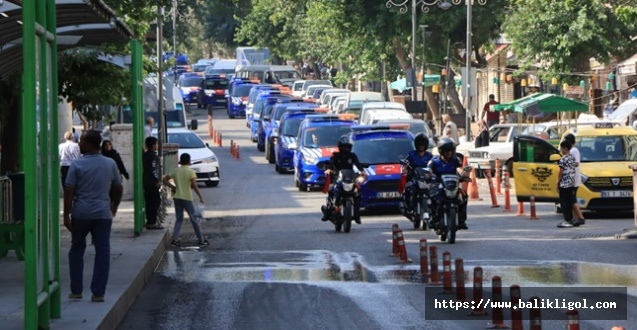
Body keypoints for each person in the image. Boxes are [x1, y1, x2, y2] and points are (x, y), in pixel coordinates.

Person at [63, 130, 123, 302]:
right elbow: (118, 187)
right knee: (103, 251)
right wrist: (114, 206)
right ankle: (98, 293)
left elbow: (69, 190)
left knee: (76, 249)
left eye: (81, 141)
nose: (79, 144)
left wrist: (66, 215)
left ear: (89, 144)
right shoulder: (110, 163)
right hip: (102, 214)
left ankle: (76, 291)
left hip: (81, 214)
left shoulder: (77, 165)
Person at [162, 153, 209, 246]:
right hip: (187, 197)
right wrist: (200, 196)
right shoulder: (190, 172)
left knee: (179, 218)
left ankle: (174, 239)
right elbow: (194, 185)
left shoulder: (175, 171)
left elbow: (165, 180)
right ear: (189, 161)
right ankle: (201, 240)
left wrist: (172, 187)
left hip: (177, 197)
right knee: (194, 219)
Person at [321, 135, 366, 224]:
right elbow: (331, 163)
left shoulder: (352, 156)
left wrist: (362, 171)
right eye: (344, 147)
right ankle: (328, 211)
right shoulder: (335, 155)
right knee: (331, 190)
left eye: (348, 147)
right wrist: (328, 167)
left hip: (350, 178)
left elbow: (358, 164)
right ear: (340, 147)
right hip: (338, 178)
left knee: (358, 193)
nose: (346, 149)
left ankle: (357, 214)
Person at [428, 138, 469, 230]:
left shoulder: (455, 160)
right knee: (433, 198)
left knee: (464, 196)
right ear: (441, 151)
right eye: (446, 151)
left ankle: (461, 221)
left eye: (450, 151)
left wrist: (463, 174)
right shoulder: (434, 161)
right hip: (438, 184)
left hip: (453, 184)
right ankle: (434, 220)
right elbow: (428, 171)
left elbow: (459, 169)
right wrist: (428, 175)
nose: (448, 153)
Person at [401, 133, 434, 215]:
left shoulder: (429, 156)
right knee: (408, 189)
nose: (421, 146)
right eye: (419, 144)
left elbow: (434, 166)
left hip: (426, 179)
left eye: (423, 144)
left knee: (435, 192)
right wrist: (405, 169)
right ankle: (409, 207)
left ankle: (433, 210)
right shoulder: (411, 154)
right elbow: (405, 164)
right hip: (414, 178)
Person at [564, 134, 585, 226]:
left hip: (573, 179)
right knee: (571, 199)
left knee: (572, 200)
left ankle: (580, 217)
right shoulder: (572, 151)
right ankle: (575, 218)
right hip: (571, 179)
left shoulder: (573, 151)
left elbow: (576, 163)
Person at [143, 136, 163, 229]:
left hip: (147, 182)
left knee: (150, 202)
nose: (157, 146)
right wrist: (157, 181)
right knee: (155, 202)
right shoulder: (152, 156)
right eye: (156, 144)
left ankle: (150, 221)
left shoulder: (146, 155)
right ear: (153, 145)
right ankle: (152, 222)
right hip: (151, 183)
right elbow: (153, 170)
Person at [556, 140, 578, 228]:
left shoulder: (563, 159)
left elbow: (561, 172)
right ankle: (571, 219)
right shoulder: (572, 157)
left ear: (565, 148)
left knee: (564, 203)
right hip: (571, 183)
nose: (561, 150)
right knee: (570, 202)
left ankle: (567, 220)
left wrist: (558, 183)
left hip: (564, 184)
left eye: (561, 148)